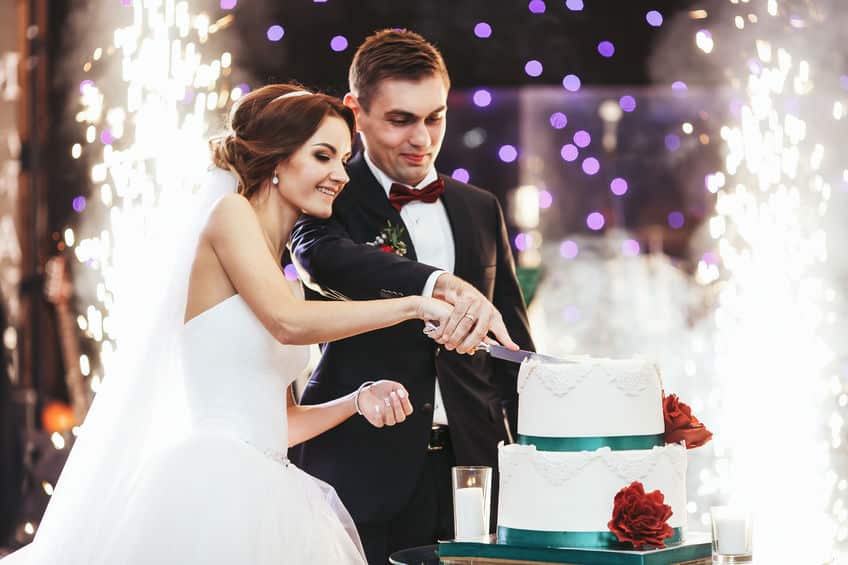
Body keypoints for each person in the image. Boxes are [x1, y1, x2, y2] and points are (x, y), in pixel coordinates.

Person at [0, 84, 471, 564]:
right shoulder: (230, 214)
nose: (340, 174)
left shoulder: (279, 278)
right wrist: (414, 305)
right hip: (216, 482)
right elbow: (289, 324)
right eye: (323, 156)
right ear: (277, 159)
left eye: (343, 159)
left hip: (270, 485)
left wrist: (356, 399)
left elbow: (283, 424)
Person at [289, 29, 535, 564]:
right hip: (360, 463)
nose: (422, 138)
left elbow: (513, 345)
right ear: (356, 112)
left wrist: (541, 455)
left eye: (435, 118)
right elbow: (322, 258)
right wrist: (435, 283)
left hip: (473, 471)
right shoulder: (328, 192)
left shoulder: (480, 206)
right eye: (400, 120)